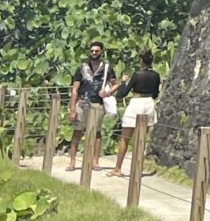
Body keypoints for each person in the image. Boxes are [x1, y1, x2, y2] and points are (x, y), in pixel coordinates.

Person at [113, 49, 162, 177]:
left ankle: (117, 168)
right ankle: (137, 168)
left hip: (136, 103)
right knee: (141, 140)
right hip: (149, 103)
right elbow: (156, 93)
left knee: (125, 138)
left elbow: (122, 94)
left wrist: (123, 82)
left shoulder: (137, 75)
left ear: (141, 60)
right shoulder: (156, 75)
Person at [69, 40, 113, 169]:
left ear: (101, 52)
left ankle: (95, 161)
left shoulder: (106, 68)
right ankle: (72, 161)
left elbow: (115, 83)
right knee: (77, 132)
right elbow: (75, 89)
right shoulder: (82, 68)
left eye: (97, 51)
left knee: (97, 133)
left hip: (97, 103)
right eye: (92, 51)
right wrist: (72, 108)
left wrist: (108, 92)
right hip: (82, 102)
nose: (94, 53)